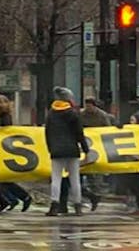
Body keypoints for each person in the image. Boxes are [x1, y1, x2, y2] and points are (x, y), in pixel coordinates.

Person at [45, 86, 88, 216]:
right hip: (72, 150)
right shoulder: (73, 113)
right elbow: (79, 133)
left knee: (56, 178)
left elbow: (47, 133)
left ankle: (54, 205)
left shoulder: (51, 114)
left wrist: (50, 148)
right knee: (74, 179)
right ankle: (78, 206)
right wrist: (85, 148)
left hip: (56, 150)